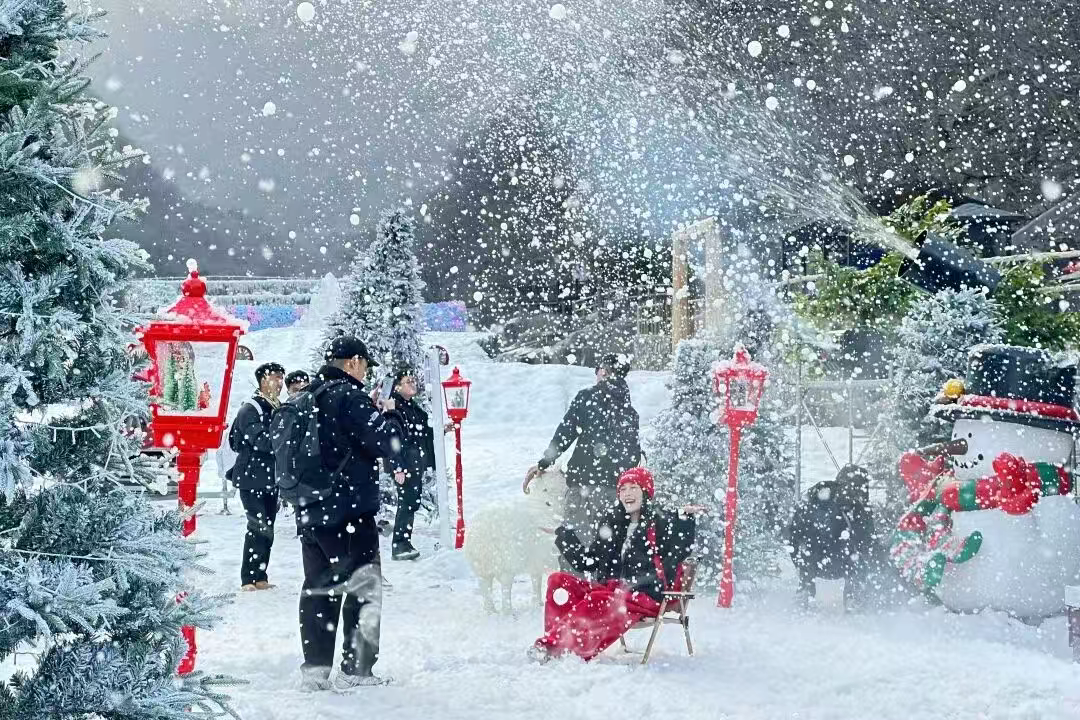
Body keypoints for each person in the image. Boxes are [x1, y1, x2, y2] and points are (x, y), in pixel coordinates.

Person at [297, 336, 403, 692]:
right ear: (354, 362)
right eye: (365, 364)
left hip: (311, 509)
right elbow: (387, 443)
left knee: (318, 589)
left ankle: (314, 670)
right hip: (349, 512)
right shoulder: (349, 397)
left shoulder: (307, 396)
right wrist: (389, 411)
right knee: (364, 588)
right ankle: (357, 669)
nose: (366, 371)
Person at [529, 467, 704, 663]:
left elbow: (681, 549)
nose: (627, 493)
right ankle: (560, 644)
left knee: (598, 599)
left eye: (633, 487)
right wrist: (562, 535)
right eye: (623, 489)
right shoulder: (613, 522)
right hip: (612, 591)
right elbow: (588, 562)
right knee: (558, 581)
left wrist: (685, 520)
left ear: (645, 492)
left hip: (646, 596)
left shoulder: (660, 521)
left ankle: (552, 647)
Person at [523, 353, 642, 565]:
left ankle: (573, 596)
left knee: (574, 550)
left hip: (583, 490)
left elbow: (564, 434)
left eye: (598, 370)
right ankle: (602, 595)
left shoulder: (588, 398)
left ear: (604, 371)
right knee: (608, 555)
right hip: (615, 495)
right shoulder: (630, 411)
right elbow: (632, 457)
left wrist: (543, 463)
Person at [228, 362, 285, 591]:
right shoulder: (251, 408)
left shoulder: (276, 406)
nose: (280, 383)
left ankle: (260, 575)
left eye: (282, 378)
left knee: (268, 527)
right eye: (275, 378)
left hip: (270, 477)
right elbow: (260, 440)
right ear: (263, 380)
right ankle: (247, 578)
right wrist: (283, 440)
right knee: (257, 525)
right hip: (252, 477)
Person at [387, 367, 436, 561]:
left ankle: (404, 542)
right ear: (398, 386)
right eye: (408, 381)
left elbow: (424, 434)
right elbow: (392, 438)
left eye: (414, 381)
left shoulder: (414, 409)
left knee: (411, 502)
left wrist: (441, 431)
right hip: (405, 464)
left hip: (416, 463)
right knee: (406, 503)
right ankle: (400, 544)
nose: (413, 384)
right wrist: (397, 466)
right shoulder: (395, 409)